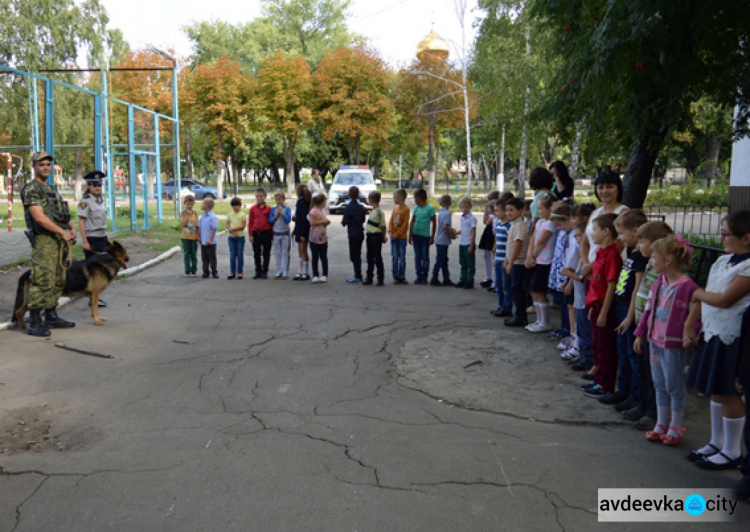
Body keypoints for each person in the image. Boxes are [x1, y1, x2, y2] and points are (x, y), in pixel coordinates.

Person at [684, 211, 750, 470]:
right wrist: (691, 324)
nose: (721, 238)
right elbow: (704, 299)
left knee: (728, 391)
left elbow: (724, 299)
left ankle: (732, 450)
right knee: (714, 389)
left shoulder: (747, 267)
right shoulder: (721, 262)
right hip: (712, 331)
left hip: (732, 336)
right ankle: (716, 441)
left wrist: (697, 292)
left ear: (746, 238)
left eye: (726, 234)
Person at [634, 235, 700, 445]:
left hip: (673, 345)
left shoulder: (687, 286)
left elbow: (696, 313)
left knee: (674, 385)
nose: (650, 261)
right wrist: (640, 333)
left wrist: (691, 334)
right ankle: (661, 423)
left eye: (654, 257)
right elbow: (648, 309)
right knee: (659, 383)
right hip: (655, 341)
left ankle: (676, 425)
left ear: (668, 260)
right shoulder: (658, 283)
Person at [622, 221, 674, 431]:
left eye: (642, 242)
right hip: (643, 327)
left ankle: (653, 412)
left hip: (655, 331)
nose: (638, 245)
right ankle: (642, 405)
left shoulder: (661, 271)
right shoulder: (651, 265)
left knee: (654, 375)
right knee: (642, 370)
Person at [21, 151, 77, 336]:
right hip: (44, 240)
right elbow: (39, 218)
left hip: (59, 240)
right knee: (42, 279)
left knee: (57, 279)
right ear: (34, 166)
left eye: (47, 164)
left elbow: (60, 211)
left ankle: (51, 315)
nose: (45, 167)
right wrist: (62, 232)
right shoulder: (32, 189)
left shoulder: (52, 188)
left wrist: (71, 228)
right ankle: (35, 322)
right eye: (41, 164)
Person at [600, 210, 650, 409]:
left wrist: (630, 317)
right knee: (623, 354)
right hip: (621, 308)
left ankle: (635, 396)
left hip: (630, 312)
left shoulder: (642, 257)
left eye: (621, 233)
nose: (619, 238)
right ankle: (623, 391)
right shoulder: (631, 251)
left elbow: (637, 289)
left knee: (632, 356)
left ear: (635, 231)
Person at [580, 213, 622, 398]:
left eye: (595, 230)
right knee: (597, 346)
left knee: (606, 349)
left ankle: (605, 384)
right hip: (596, 307)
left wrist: (604, 312)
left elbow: (611, 285)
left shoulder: (613, 255)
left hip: (604, 308)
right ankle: (598, 380)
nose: (592, 234)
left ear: (606, 232)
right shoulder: (601, 253)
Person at [582, 171, 628, 272]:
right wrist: (586, 264)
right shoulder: (594, 213)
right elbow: (584, 243)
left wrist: (592, 266)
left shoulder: (623, 213)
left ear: (618, 188)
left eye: (610, 187)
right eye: (601, 187)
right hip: (589, 271)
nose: (605, 191)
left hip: (608, 271)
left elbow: (619, 247)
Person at [524, 193, 558, 332]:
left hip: (545, 262)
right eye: (538, 208)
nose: (539, 211)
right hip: (535, 260)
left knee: (539, 291)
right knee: (533, 290)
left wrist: (532, 257)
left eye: (541, 209)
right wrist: (529, 256)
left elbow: (541, 241)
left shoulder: (551, 224)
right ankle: (539, 320)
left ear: (550, 209)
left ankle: (545, 321)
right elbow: (533, 240)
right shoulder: (539, 222)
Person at [77, 170, 108, 307]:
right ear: (89, 185)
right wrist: (85, 241)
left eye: (99, 185)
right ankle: (94, 298)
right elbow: (81, 222)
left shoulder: (100, 201)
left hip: (102, 237)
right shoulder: (86, 202)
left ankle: (96, 296)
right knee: (93, 270)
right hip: (92, 238)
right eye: (94, 185)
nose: (97, 188)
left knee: (101, 269)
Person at [547, 201, 575, 341]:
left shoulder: (573, 236)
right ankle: (564, 327)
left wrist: (567, 278)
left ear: (568, 219)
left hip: (568, 275)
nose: (558, 228)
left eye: (559, 224)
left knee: (567, 304)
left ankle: (568, 330)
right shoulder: (563, 233)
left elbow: (572, 258)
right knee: (564, 303)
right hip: (560, 272)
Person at [503, 198, 530, 327]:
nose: (508, 213)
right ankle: (519, 315)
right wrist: (507, 260)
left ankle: (520, 316)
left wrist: (510, 262)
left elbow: (518, 244)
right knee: (514, 290)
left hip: (519, 263)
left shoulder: (519, 225)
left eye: (512, 210)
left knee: (517, 291)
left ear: (520, 211)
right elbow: (510, 245)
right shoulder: (514, 224)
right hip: (514, 262)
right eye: (507, 210)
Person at [408, 188, 436, 285]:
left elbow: (434, 223)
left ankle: (424, 276)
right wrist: (410, 235)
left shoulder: (430, 208)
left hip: (425, 236)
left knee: (425, 257)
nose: (414, 200)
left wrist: (432, 237)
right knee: (417, 257)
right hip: (416, 235)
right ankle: (418, 276)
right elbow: (412, 221)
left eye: (415, 198)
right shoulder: (416, 208)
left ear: (419, 198)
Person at [491, 198, 513, 317]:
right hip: (498, 259)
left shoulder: (509, 226)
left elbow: (510, 245)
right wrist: (495, 258)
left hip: (505, 261)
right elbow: (497, 241)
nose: (495, 213)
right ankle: (501, 305)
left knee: (506, 286)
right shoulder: (498, 224)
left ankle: (507, 306)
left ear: (505, 212)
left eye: (498, 211)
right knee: (498, 286)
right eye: (495, 211)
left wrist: (508, 260)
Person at [342, 186, 366, 283]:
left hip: (352, 233)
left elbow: (345, 222)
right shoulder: (361, 207)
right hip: (360, 232)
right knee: (358, 254)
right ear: (358, 195)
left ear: (348, 196)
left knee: (353, 255)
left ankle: (358, 275)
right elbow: (363, 219)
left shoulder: (348, 208)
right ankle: (357, 273)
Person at [431, 194, 456, 286]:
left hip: (439, 239)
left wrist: (451, 230)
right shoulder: (448, 213)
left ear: (440, 203)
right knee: (441, 260)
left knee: (444, 260)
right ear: (450, 203)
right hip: (443, 240)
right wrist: (451, 235)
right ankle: (434, 277)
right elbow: (446, 226)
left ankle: (446, 278)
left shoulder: (441, 213)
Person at [363, 191, 387, 286]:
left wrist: (383, 236)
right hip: (369, 236)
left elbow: (383, 226)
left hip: (376, 236)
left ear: (371, 200)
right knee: (369, 257)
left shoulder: (379, 212)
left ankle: (380, 278)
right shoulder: (372, 211)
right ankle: (369, 277)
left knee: (377, 258)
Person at [248, 188, 273, 279]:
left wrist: (272, 235)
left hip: (266, 232)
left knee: (266, 253)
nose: (258, 198)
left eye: (260, 196)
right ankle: (258, 270)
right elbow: (250, 222)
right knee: (256, 253)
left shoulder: (269, 209)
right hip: (256, 232)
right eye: (257, 196)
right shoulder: (253, 209)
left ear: (265, 197)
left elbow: (272, 222)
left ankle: (265, 271)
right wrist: (250, 234)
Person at [479, 191, 500, 288]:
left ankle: (495, 281)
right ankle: (488, 277)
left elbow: (487, 222)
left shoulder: (497, 215)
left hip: (494, 234)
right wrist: (486, 210)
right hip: (489, 233)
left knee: (493, 256)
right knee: (486, 255)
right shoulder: (491, 214)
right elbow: (484, 221)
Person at [269, 189, 292, 279]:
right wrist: (276, 215)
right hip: (276, 234)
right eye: (276, 199)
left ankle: (285, 270)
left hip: (285, 234)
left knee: (285, 253)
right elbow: (270, 221)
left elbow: (288, 220)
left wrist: (281, 213)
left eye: (280, 199)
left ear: (284, 199)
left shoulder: (287, 209)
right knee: (277, 253)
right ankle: (279, 270)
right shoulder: (273, 209)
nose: (278, 201)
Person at [455, 197, 477, 289]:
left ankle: (470, 280)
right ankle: (463, 278)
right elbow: (465, 229)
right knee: (462, 262)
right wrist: (458, 232)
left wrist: (471, 245)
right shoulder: (462, 217)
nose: (464, 209)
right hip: (462, 242)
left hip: (468, 243)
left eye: (466, 207)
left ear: (470, 207)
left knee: (470, 263)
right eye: (462, 207)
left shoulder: (472, 218)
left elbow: (473, 232)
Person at [389, 189, 410, 285]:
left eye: (395, 198)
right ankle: (395, 276)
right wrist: (390, 232)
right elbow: (390, 221)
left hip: (401, 237)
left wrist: (398, 234)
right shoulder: (395, 209)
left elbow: (405, 224)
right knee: (394, 256)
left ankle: (402, 275)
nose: (394, 200)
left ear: (401, 198)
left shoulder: (406, 209)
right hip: (393, 237)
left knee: (402, 257)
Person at [308, 194, 331, 283]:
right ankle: (315, 275)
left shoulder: (323, 211)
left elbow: (323, 222)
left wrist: (326, 223)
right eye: (325, 201)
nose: (326, 202)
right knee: (315, 257)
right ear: (321, 202)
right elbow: (312, 222)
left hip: (323, 237)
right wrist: (323, 221)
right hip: (314, 237)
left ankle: (325, 274)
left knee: (324, 257)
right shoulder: (313, 211)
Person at [293, 184, 312, 281]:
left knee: (303, 250)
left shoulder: (302, 204)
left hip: (302, 230)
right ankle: (300, 272)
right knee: (300, 251)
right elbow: (298, 220)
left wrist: (303, 234)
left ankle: (305, 272)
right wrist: (295, 231)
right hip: (299, 229)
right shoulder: (301, 203)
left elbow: (303, 220)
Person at [226, 197, 246, 279]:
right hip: (231, 237)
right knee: (232, 255)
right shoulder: (229, 214)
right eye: (233, 206)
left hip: (240, 237)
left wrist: (232, 229)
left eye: (237, 206)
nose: (235, 207)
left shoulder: (243, 215)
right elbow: (227, 225)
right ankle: (232, 272)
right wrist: (232, 232)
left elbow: (243, 226)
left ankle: (240, 272)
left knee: (240, 254)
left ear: (240, 205)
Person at [197, 198, 219, 278]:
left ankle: (214, 271)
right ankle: (206, 272)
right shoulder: (203, 216)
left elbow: (214, 229)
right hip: (203, 241)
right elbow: (199, 226)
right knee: (204, 258)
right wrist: (198, 236)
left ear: (207, 206)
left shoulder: (212, 217)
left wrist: (210, 239)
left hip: (211, 242)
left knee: (212, 258)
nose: (201, 205)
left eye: (203, 204)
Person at [180, 195, 199, 277]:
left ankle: (194, 270)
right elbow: (183, 224)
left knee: (193, 254)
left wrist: (198, 236)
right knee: (186, 254)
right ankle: (187, 270)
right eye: (188, 204)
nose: (189, 206)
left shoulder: (195, 213)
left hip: (194, 237)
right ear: (184, 204)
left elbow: (198, 226)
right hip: (185, 237)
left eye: (191, 204)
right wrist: (187, 216)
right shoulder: (182, 213)